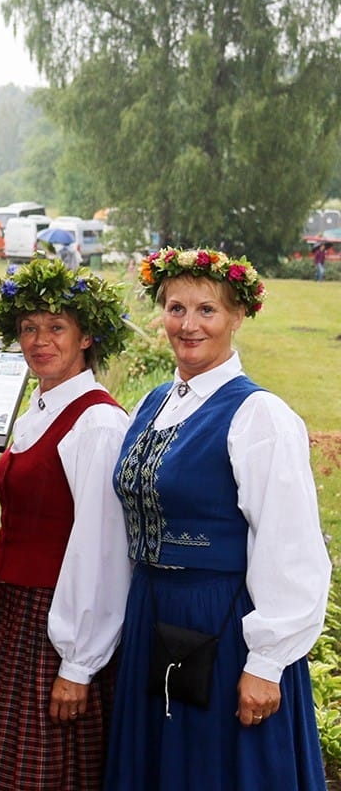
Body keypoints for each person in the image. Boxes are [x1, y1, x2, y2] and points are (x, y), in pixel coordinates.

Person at [105, 247, 331, 789]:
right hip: (152, 613)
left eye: (207, 310)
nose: (188, 324)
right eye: (175, 308)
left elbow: (290, 543)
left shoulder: (260, 416)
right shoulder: (152, 405)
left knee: (216, 770)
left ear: (237, 315)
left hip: (222, 623)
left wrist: (267, 662)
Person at [0, 257, 133, 790]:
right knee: (4, 761)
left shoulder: (97, 422)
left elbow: (101, 550)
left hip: (56, 617)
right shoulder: (41, 407)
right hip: (14, 610)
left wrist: (78, 663)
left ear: (85, 338)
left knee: (45, 765)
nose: (40, 340)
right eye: (29, 328)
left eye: (56, 327)